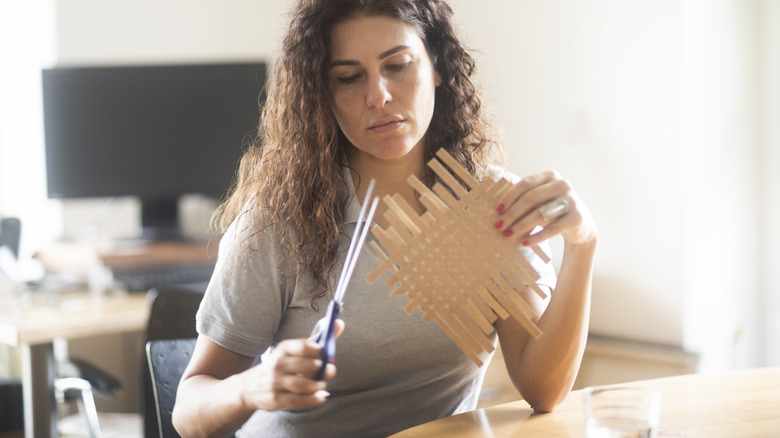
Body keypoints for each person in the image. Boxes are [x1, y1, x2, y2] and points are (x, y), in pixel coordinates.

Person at [172, 0, 598, 437]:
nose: (378, 95)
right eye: (349, 77)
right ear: (323, 94)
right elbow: (189, 414)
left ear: (436, 68)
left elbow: (543, 390)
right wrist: (251, 388)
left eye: (397, 66)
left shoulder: (491, 205)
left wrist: (582, 244)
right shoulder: (280, 220)